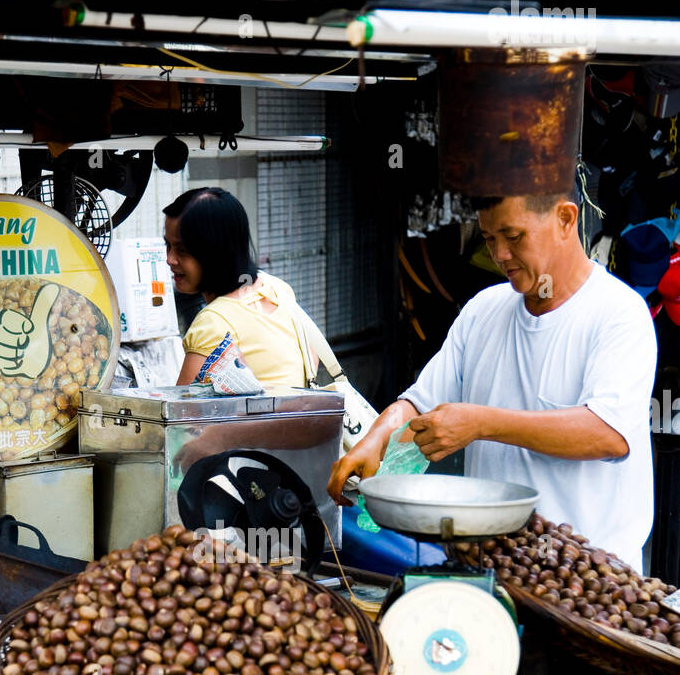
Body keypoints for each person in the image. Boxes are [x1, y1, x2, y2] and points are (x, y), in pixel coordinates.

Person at [328, 191, 658, 571]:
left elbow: (608, 433)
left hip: (588, 578)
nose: (500, 254)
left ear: (566, 219)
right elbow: (418, 404)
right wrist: (374, 439)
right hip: (490, 568)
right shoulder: (483, 310)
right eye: (488, 238)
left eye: (513, 236)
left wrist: (481, 423)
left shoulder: (619, 315)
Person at [164, 187, 330, 393]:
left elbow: (182, 409)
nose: (170, 259)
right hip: (301, 411)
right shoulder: (275, 287)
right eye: (167, 245)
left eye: (182, 250)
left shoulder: (213, 322)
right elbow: (311, 358)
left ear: (214, 250)